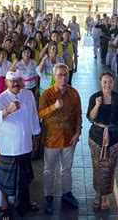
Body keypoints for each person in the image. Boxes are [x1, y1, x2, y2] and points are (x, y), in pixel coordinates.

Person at [0, 71, 41, 219]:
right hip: (9, 148)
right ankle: (5, 205)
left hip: (25, 145)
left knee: (25, 176)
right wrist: (7, 111)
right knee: (6, 179)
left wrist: (36, 136)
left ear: (22, 81)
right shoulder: (0, 99)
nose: (15, 83)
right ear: (6, 83)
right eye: (12, 81)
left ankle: (26, 203)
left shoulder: (28, 95)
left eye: (18, 80)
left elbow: (34, 117)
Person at [38, 63, 82, 214]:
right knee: (49, 170)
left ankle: (67, 193)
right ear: (54, 77)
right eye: (60, 75)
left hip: (69, 138)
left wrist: (77, 133)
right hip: (51, 139)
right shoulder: (47, 94)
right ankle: (48, 196)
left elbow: (78, 114)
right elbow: (39, 114)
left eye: (65, 75)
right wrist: (54, 107)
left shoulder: (74, 93)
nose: (63, 78)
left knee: (67, 168)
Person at [87, 72, 118, 210]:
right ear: (100, 82)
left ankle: (106, 196)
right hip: (96, 137)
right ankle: (98, 194)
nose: (107, 85)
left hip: (114, 137)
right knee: (97, 167)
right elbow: (91, 117)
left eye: (110, 82)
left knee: (110, 167)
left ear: (114, 82)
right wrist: (97, 106)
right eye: (105, 82)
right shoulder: (95, 97)